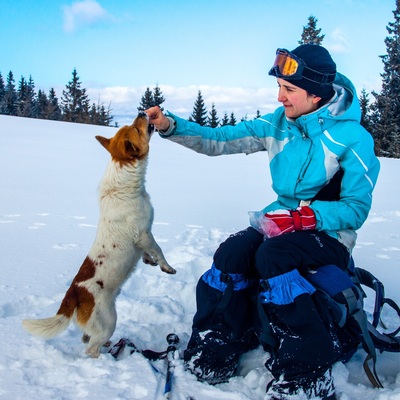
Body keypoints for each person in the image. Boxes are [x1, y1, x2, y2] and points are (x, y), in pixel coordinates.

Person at [146, 44, 380, 400]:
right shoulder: (277, 124)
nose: (280, 96)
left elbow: (355, 209)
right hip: (279, 221)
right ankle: (218, 344)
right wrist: (170, 126)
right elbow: (218, 140)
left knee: (274, 258)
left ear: (315, 93)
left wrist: (306, 217)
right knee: (233, 252)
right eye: (279, 87)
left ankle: (306, 371)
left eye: (289, 89)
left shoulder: (353, 138)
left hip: (329, 232)